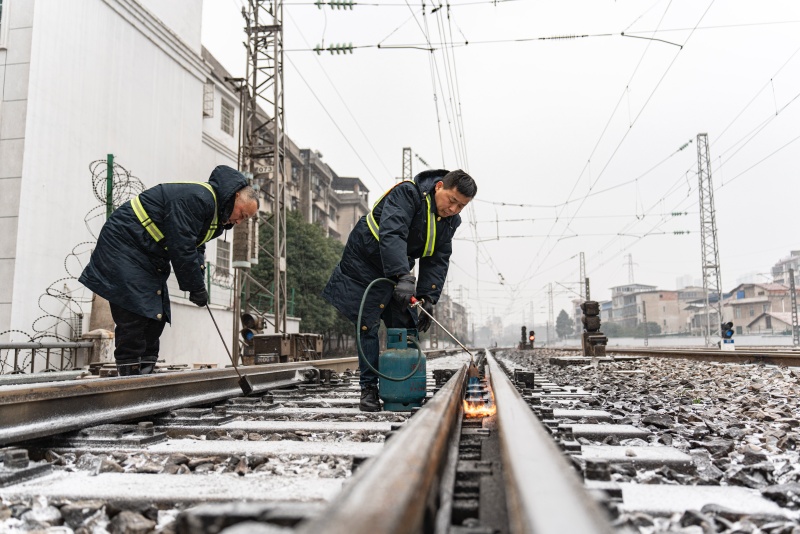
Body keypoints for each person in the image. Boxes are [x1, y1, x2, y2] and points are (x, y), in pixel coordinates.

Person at [80, 165, 259, 376]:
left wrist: (198, 281)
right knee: (135, 311)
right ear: (236, 196)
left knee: (157, 315)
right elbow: (181, 246)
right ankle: (129, 379)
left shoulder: (216, 216)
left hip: (149, 253)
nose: (238, 221)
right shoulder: (198, 199)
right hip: (126, 244)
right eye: (242, 215)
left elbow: (196, 246)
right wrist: (195, 286)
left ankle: (144, 374)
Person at [322, 169, 477, 411]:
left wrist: (428, 296)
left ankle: (404, 388)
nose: (454, 210)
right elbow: (392, 233)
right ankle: (369, 389)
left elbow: (438, 257)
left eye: (461, 206)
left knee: (406, 324)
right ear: (439, 187)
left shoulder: (450, 221)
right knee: (368, 322)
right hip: (366, 260)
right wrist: (403, 276)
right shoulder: (407, 194)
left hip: (397, 265)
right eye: (452, 201)